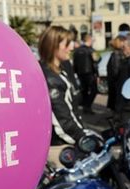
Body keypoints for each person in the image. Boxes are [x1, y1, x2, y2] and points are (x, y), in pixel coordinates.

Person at [38, 26, 88, 167]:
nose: (71, 47)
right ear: (53, 45)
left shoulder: (59, 71)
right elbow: (62, 121)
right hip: (60, 148)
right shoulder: (49, 78)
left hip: (67, 142)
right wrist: (84, 139)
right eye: (67, 43)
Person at [73, 33, 99, 114]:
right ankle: (87, 106)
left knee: (84, 90)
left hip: (80, 73)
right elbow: (96, 61)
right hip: (90, 73)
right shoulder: (91, 50)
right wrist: (97, 74)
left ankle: (85, 105)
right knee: (94, 90)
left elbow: (74, 63)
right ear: (89, 40)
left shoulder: (77, 50)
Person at [106, 35, 126, 111]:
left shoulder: (115, 53)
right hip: (116, 81)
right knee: (116, 100)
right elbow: (116, 69)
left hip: (113, 81)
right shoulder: (117, 54)